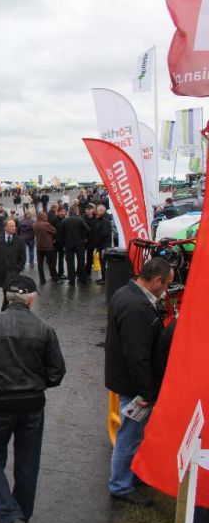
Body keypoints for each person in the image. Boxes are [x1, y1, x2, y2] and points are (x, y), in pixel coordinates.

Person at [0, 276, 66, 523]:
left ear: (8, 297)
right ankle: (20, 514)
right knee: (27, 461)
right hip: (32, 404)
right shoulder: (44, 329)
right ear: (31, 299)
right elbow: (56, 373)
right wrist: (37, 382)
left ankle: (12, 516)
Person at [105, 257, 173, 505]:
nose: (166, 290)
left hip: (127, 380)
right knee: (130, 434)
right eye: (166, 285)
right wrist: (146, 393)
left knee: (133, 433)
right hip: (134, 386)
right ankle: (120, 485)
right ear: (157, 280)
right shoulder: (135, 306)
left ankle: (130, 475)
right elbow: (137, 354)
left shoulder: (126, 293)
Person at [0, 219, 27, 311]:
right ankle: (9, 309)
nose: (14, 228)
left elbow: (23, 257)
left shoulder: (20, 240)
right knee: (5, 291)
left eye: (14, 226)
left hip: (13, 272)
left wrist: (18, 268)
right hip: (1, 271)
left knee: (8, 291)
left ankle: (4, 310)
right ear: (5, 227)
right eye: (11, 226)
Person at [60, 205, 90, 286]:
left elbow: (61, 234)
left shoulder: (64, 221)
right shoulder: (80, 220)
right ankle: (83, 278)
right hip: (79, 244)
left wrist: (63, 244)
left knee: (70, 263)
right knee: (81, 261)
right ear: (76, 211)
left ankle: (72, 280)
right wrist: (84, 237)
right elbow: (88, 230)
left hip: (68, 244)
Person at [32, 211, 58, 284]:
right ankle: (54, 277)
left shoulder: (34, 224)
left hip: (39, 246)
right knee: (51, 263)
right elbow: (55, 231)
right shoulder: (46, 224)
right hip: (48, 246)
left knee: (40, 264)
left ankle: (42, 279)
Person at [93, 205, 113, 285]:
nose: (96, 212)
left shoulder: (104, 220)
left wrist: (98, 242)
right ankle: (103, 278)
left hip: (104, 246)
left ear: (102, 211)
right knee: (102, 263)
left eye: (97, 210)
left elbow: (104, 234)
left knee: (103, 262)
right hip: (102, 245)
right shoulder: (101, 219)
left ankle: (104, 279)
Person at [82, 204, 97, 280]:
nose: (87, 211)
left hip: (92, 241)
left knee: (90, 257)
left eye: (89, 209)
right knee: (81, 257)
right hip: (83, 241)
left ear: (92, 210)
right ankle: (80, 272)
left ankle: (87, 272)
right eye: (86, 209)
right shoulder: (82, 218)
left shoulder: (96, 218)